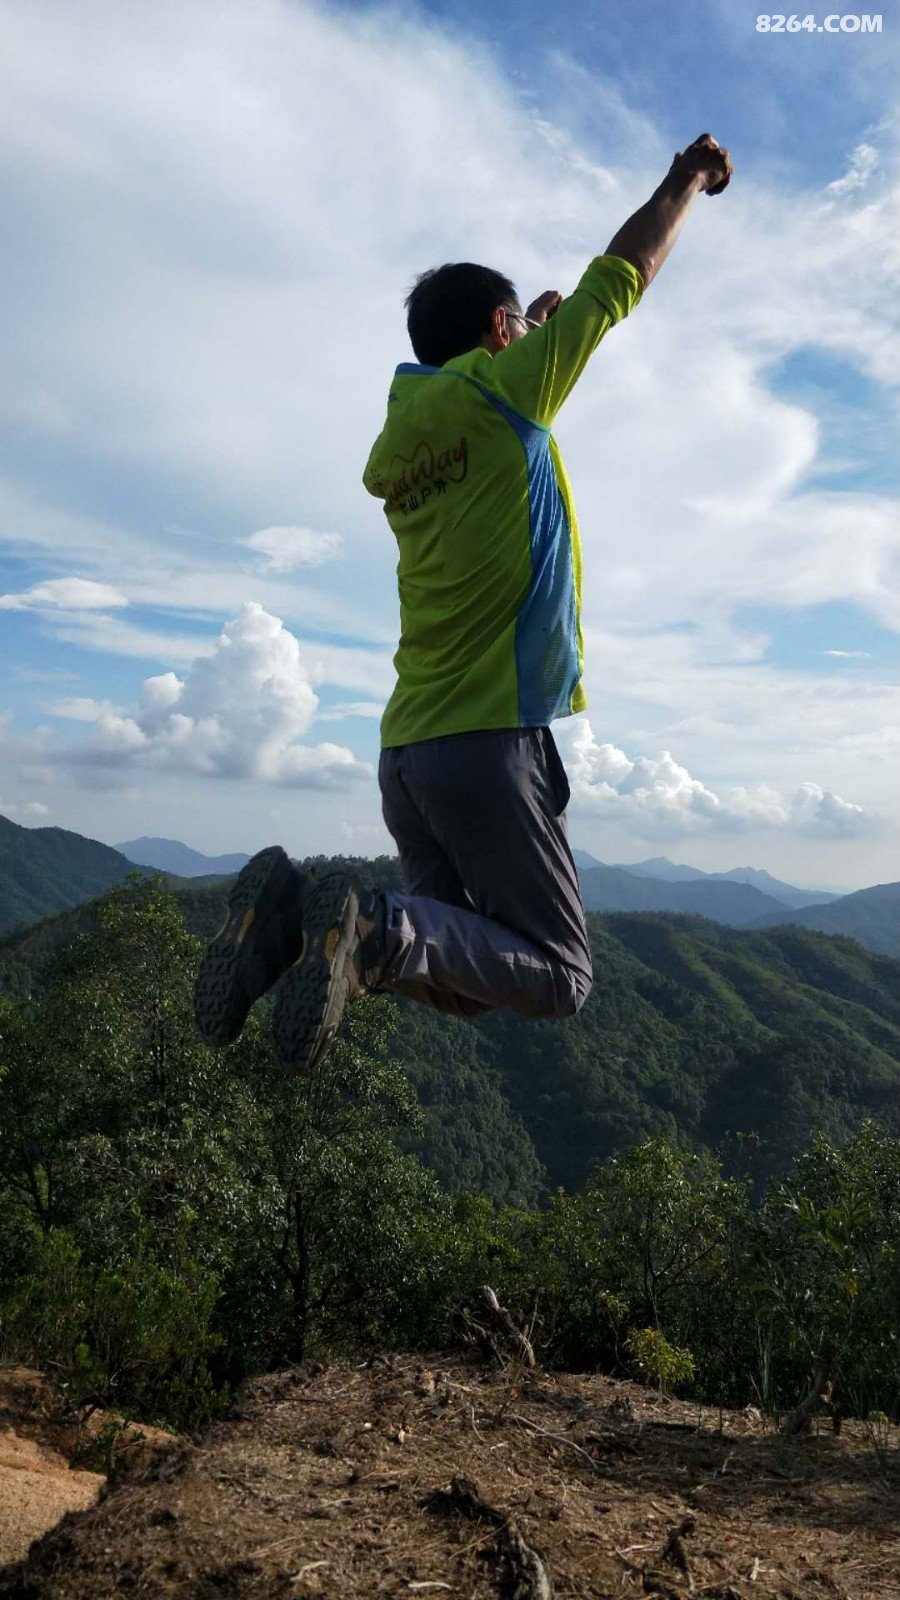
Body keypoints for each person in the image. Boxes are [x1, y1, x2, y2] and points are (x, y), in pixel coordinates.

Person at [194, 132, 733, 1072]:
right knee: (560, 973)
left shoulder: (411, 434)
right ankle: (369, 927)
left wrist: (529, 326)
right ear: (496, 330)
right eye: (516, 329)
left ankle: (292, 920)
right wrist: (687, 178)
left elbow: (497, 379)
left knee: (464, 980)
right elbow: (625, 271)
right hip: (489, 745)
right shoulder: (508, 392)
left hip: (409, 752)